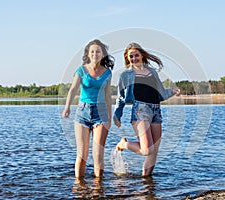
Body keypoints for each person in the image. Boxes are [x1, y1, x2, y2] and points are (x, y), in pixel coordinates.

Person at [113, 42, 180, 176]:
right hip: (140, 111)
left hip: (156, 110)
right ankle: (124, 144)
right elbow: (121, 97)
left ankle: (146, 179)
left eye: (136, 55)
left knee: (154, 150)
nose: (134, 59)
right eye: (130, 57)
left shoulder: (152, 71)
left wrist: (172, 91)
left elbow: (159, 93)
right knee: (147, 149)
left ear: (142, 55)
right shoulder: (126, 75)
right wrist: (117, 115)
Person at [62, 39, 114, 179]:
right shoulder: (81, 70)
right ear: (88, 54)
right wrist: (67, 107)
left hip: (101, 114)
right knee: (82, 155)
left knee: (98, 154)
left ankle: (98, 188)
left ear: (102, 54)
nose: (95, 54)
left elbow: (107, 95)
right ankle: (79, 187)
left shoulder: (107, 73)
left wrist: (110, 116)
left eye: (98, 51)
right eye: (92, 51)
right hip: (82, 113)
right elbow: (73, 90)